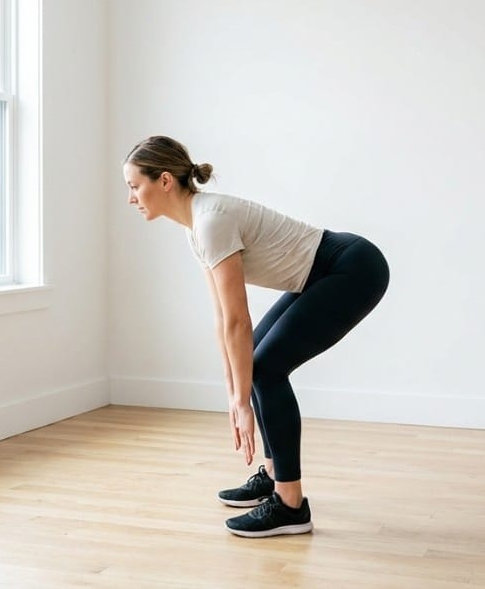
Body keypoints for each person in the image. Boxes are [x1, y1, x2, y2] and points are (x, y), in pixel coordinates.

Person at [123, 135, 390, 536]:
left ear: (163, 181)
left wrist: (244, 400)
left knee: (264, 369)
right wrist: (234, 394)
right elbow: (221, 319)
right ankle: (273, 473)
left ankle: (290, 505)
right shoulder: (195, 228)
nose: (131, 198)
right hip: (321, 273)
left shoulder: (211, 222)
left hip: (352, 267)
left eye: (134, 186)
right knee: (254, 365)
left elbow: (238, 320)